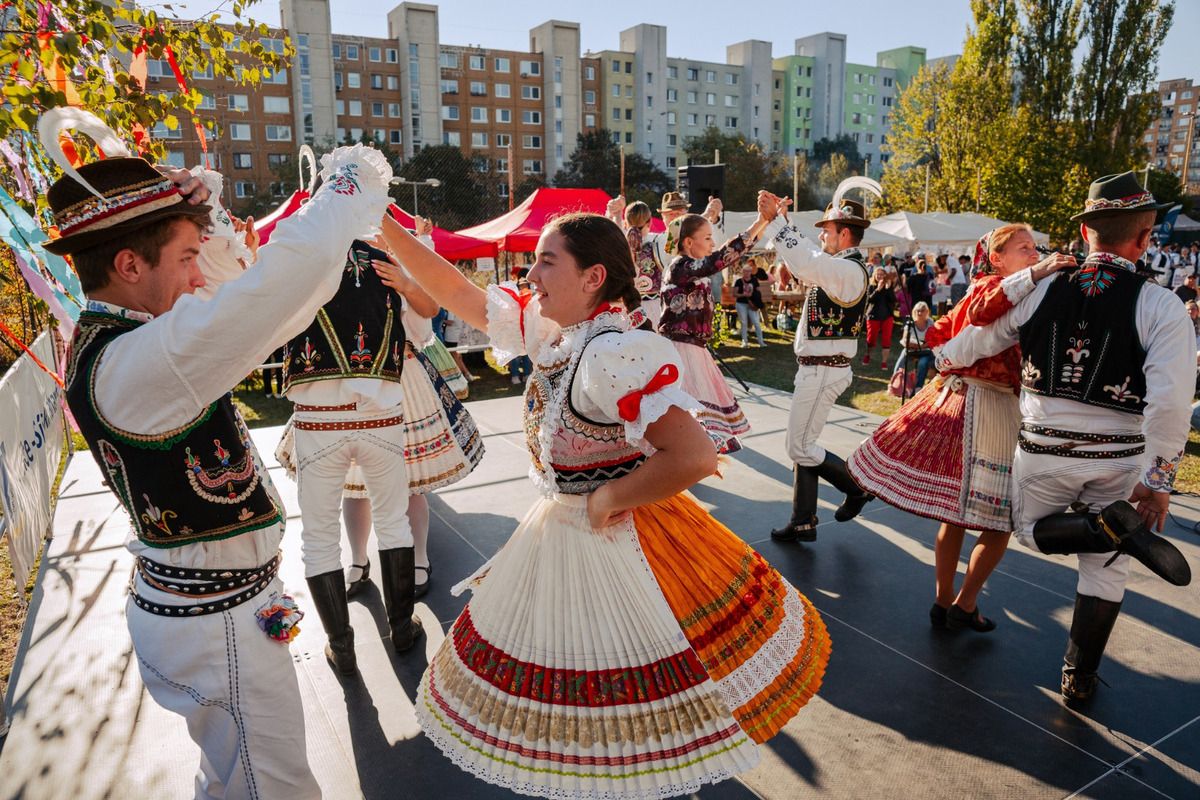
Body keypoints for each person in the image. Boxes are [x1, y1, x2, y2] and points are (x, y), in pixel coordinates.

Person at [378, 211, 830, 798]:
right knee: (596, 691)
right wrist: (380, 221)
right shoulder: (559, 333)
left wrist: (610, 495)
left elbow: (692, 455)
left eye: (547, 260)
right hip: (568, 527)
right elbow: (458, 293)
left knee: (629, 687)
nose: (530, 272)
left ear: (594, 278)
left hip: (621, 538)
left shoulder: (610, 353)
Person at [53, 130, 392, 796]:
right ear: (128, 265)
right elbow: (278, 286)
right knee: (273, 786)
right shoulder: (139, 361)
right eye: (186, 257)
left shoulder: (135, 340)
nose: (199, 273)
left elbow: (285, 305)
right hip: (218, 624)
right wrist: (348, 181)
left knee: (245, 774)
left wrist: (201, 233)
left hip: (228, 609)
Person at [937, 172, 1193, 702]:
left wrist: (946, 358)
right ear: (1145, 239)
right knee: (1107, 570)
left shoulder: (1043, 286)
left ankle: (1102, 526)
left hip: (1043, 451)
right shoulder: (1162, 306)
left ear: (1083, 230)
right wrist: (1159, 479)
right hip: (1122, 458)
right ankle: (1078, 675)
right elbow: (1170, 404)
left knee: (1026, 531)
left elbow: (981, 340)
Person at [849, 225, 1077, 631]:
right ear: (996, 258)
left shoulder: (1013, 288)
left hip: (969, 399)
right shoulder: (993, 285)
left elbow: (938, 334)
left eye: (1034, 248)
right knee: (1000, 516)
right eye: (1023, 248)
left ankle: (947, 602)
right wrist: (1037, 272)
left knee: (959, 515)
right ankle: (963, 603)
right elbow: (972, 316)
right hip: (984, 404)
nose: (1033, 253)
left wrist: (949, 355)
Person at [281, 193, 425, 674]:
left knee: (318, 536)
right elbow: (423, 323)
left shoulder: (298, 257)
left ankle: (341, 648)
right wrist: (404, 283)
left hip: (319, 419)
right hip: (381, 414)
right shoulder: (386, 258)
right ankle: (401, 629)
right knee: (394, 521)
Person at [760, 187, 875, 543]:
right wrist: (784, 223)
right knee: (805, 442)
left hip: (824, 369)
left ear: (844, 233)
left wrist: (778, 223)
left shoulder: (848, 271)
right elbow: (807, 259)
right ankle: (803, 518)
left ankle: (857, 489)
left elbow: (808, 261)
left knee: (799, 447)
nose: (821, 234)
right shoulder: (841, 268)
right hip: (820, 367)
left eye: (826, 229)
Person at [658, 211, 774, 453]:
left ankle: (686, 461)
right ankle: (681, 463)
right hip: (680, 350)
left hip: (692, 348)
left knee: (691, 416)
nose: (713, 244)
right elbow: (720, 259)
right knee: (686, 413)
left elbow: (723, 257)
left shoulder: (690, 270)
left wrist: (765, 220)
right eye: (708, 238)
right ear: (689, 242)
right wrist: (756, 223)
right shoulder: (681, 267)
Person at [621, 200, 668, 327]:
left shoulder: (619, 246)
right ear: (650, 222)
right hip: (653, 308)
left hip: (625, 309)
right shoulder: (659, 243)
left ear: (626, 223)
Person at [893, 301, 936, 390]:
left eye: (922, 311)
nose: (919, 313)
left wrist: (921, 347)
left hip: (925, 351)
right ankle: (895, 382)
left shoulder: (930, 323)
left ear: (927, 312)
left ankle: (918, 386)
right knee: (902, 358)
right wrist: (911, 344)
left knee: (923, 363)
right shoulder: (911, 323)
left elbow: (933, 340)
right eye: (918, 311)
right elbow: (904, 339)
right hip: (912, 349)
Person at [862, 266, 896, 370]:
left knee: (886, 339)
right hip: (873, 315)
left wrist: (888, 289)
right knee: (871, 339)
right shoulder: (871, 286)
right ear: (875, 276)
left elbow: (893, 300)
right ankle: (868, 355)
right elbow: (870, 300)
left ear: (885, 276)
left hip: (887, 316)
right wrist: (878, 289)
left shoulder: (888, 286)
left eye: (882, 274)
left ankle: (884, 362)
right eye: (878, 274)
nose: (880, 276)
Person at [734, 262, 765, 347]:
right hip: (741, 303)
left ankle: (761, 341)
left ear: (751, 272)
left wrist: (752, 294)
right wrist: (743, 295)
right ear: (743, 272)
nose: (747, 273)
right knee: (743, 322)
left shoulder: (754, 281)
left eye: (748, 271)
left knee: (756, 322)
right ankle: (744, 341)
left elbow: (759, 292)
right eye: (745, 271)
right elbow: (735, 293)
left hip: (752, 303)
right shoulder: (739, 281)